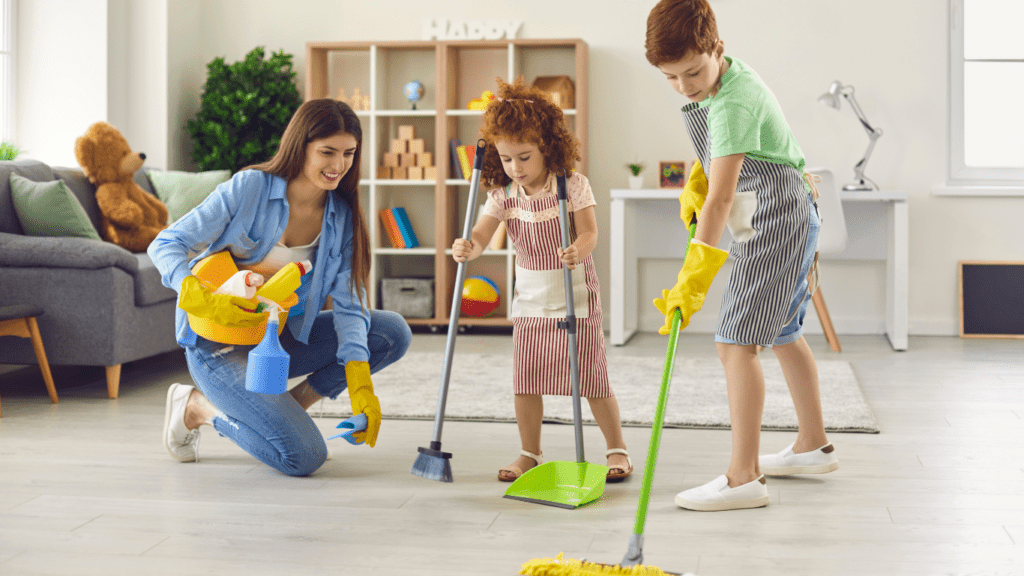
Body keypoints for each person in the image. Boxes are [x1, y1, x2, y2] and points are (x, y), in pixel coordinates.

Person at [150, 99, 412, 476]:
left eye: (349, 153)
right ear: (300, 146)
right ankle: (198, 408)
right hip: (219, 345)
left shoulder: (341, 217)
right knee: (303, 458)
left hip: (278, 340)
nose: (338, 165)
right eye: (327, 152)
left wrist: (360, 384)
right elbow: (166, 243)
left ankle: (285, 410)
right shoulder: (251, 188)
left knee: (390, 332)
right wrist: (194, 292)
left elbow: (350, 304)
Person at [645, 0, 838, 511]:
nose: (684, 87)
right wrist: (699, 173)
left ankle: (743, 478)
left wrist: (695, 276)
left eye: (692, 72)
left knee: (735, 343)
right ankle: (812, 444)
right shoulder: (726, 80)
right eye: (670, 77)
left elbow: (723, 198)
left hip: (776, 219)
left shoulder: (733, 101)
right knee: (782, 332)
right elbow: (731, 159)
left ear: (717, 48)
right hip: (785, 210)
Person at [451, 78, 632, 483]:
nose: (516, 167)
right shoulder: (504, 195)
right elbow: (481, 233)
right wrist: (469, 247)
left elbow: (590, 233)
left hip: (574, 294)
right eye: (507, 159)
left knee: (591, 375)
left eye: (524, 157)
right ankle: (529, 452)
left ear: (547, 147)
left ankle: (616, 448)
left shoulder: (572, 185)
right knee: (526, 376)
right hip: (530, 296)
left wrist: (578, 250)